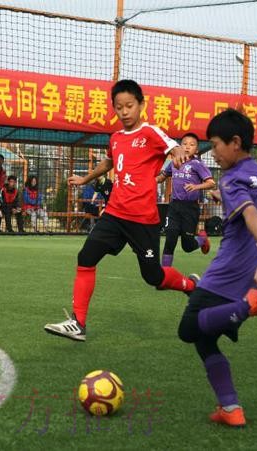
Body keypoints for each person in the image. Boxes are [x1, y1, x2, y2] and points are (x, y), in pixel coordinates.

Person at [44, 79, 199, 342]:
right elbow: (108, 162)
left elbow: (172, 146)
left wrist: (177, 154)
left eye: (129, 105)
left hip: (143, 220)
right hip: (114, 214)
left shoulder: (150, 132)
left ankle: (192, 286)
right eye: (119, 107)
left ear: (141, 105)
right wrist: (85, 179)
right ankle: (78, 323)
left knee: (153, 277)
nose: (124, 111)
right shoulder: (115, 138)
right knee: (86, 257)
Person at [178, 109, 257, 427]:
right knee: (205, 340)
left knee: (188, 329)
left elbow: (250, 212)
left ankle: (247, 307)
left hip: (229, 271)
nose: (213, 152)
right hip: (251, 271)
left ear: (235, 142)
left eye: (215, 145)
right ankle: (230, 408)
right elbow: (252, 207)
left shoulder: (231, 177)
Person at [156, 132, 215, 267]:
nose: (187, 146)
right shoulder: (173, 162)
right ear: (179, 147)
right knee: (170, 240)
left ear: (197, 150)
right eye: (184, 144)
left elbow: (211, 183)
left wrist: (196, 186)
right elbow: (161, 177)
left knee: (187, 246)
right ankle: (165, 274)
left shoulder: (197, 164)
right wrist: (151, 180)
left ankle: (202, 239)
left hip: (190, 208)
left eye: (192, 144)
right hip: (174, 207)